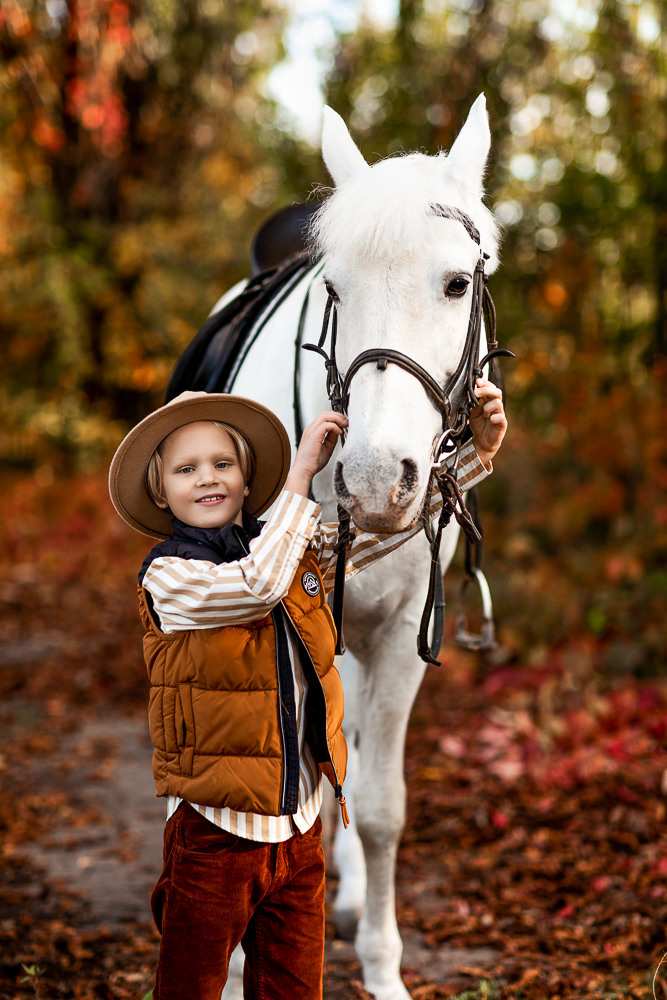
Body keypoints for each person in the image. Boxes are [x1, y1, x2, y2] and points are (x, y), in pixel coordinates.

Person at [108, 380, 507, 1000]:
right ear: (162, 490)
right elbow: (257, 586)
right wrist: (302, 479)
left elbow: (377, 539)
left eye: (223, 463)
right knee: (191, 988)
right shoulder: (171, 576)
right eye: (186, 469)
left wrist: (474, 457)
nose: (207, 478)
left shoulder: (282, 547)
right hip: (215, 835)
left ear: (245, 478)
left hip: (299, 832)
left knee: (295, 991)